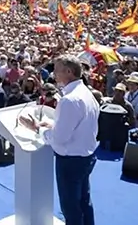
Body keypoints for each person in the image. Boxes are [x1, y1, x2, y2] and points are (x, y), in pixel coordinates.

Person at [20, 55, 99, 225]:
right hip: (86, 156)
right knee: (84, 202)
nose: (53, 74)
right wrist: (52, 124)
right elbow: (77, 125)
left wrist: (37, 128)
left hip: (71, 161)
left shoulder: (69, 100)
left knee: (71, 208)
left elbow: (60, 139)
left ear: (69, 72)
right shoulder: (86, 92)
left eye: (57, 70)